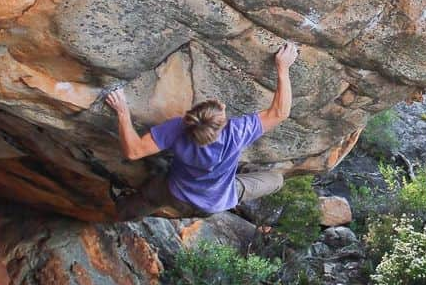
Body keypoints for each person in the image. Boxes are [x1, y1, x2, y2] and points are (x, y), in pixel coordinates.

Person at [106, 43, 299, 220]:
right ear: (223, 125)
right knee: (276, 179)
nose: (223, 105)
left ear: (190, 115)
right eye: (222, 109)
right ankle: (238, 172)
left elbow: (134, 151)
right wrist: (283, 67)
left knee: (150, 197)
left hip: (176, 193)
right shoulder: (236, 133)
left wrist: (123, 111)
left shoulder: (177, 129)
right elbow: (280, 112)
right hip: (214, 203)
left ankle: (122, 211)